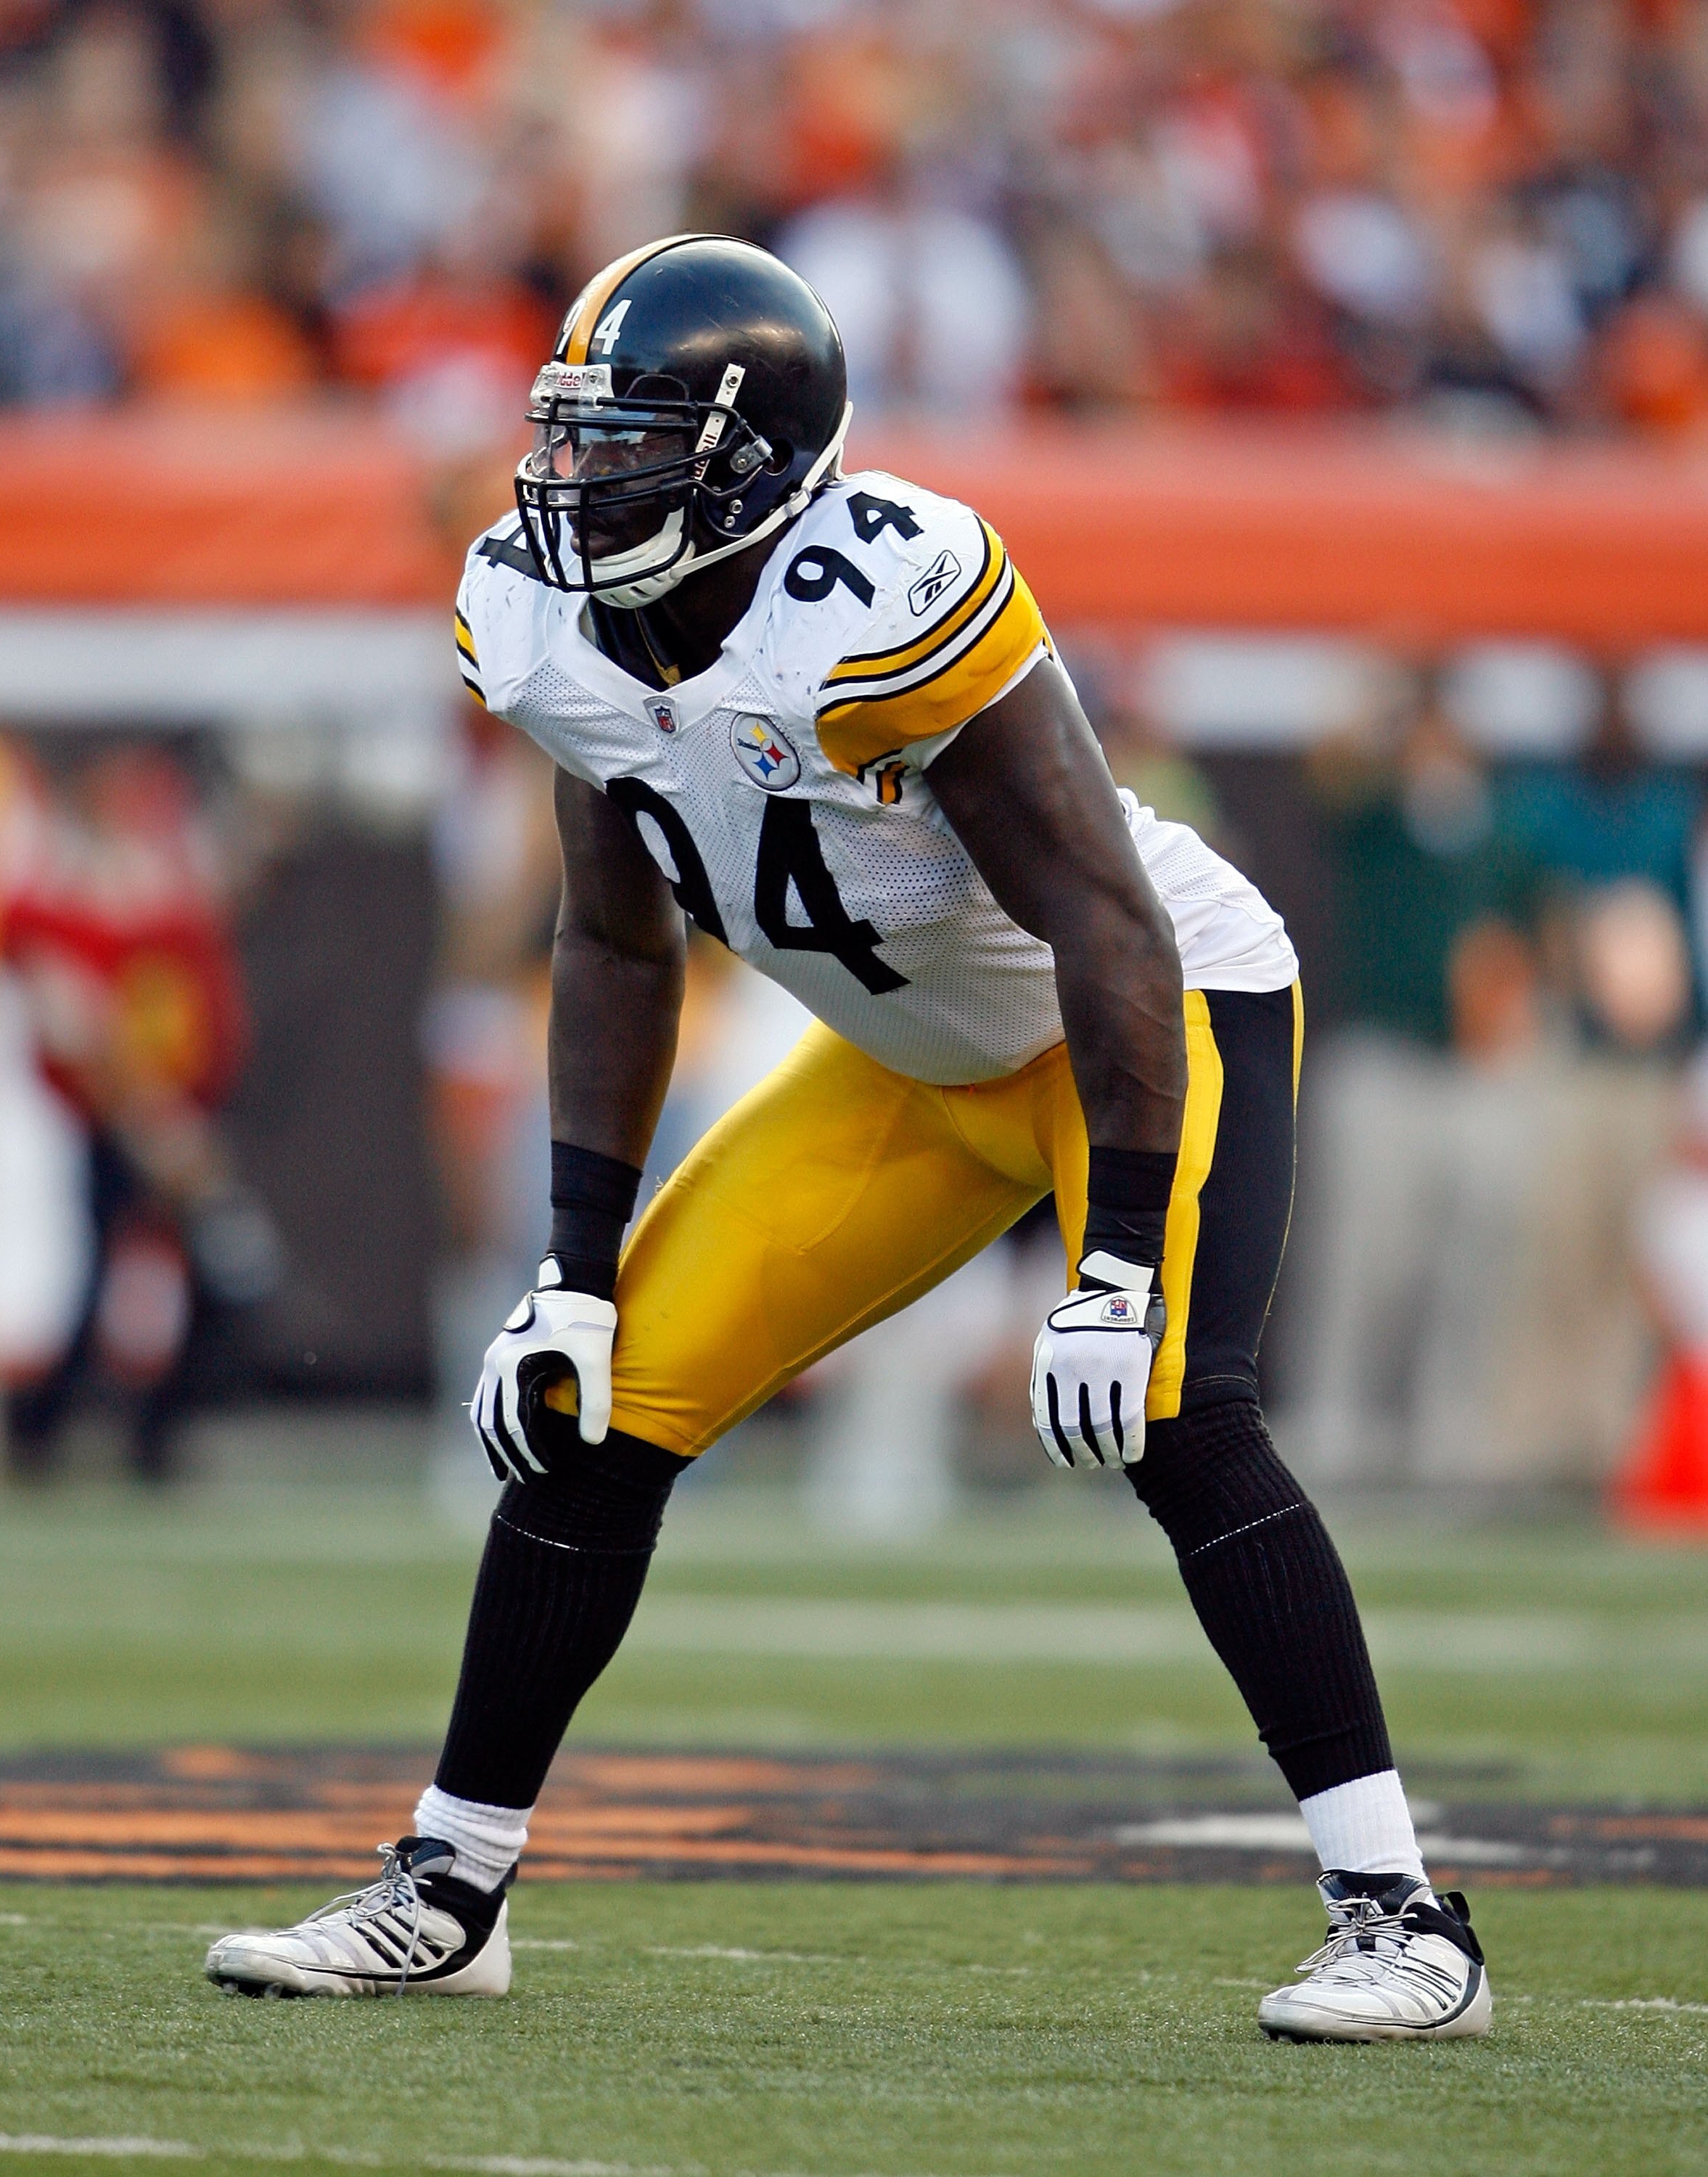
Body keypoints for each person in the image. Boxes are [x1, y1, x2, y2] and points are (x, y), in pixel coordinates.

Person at [204, 235, 1490, 2041]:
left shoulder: (886, 596)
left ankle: (1404, 1920)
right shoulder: (545, 616)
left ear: (750, 461)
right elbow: (612, 930)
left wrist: (1114, 1260)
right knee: (600, 1408)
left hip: (1139, 1011)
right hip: (906, 1059)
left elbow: (1108, 921)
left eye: (633, 436)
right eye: (572, 433)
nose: (579, 476)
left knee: (1181, 1411)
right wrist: (572, 1269)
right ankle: (447, 1886)